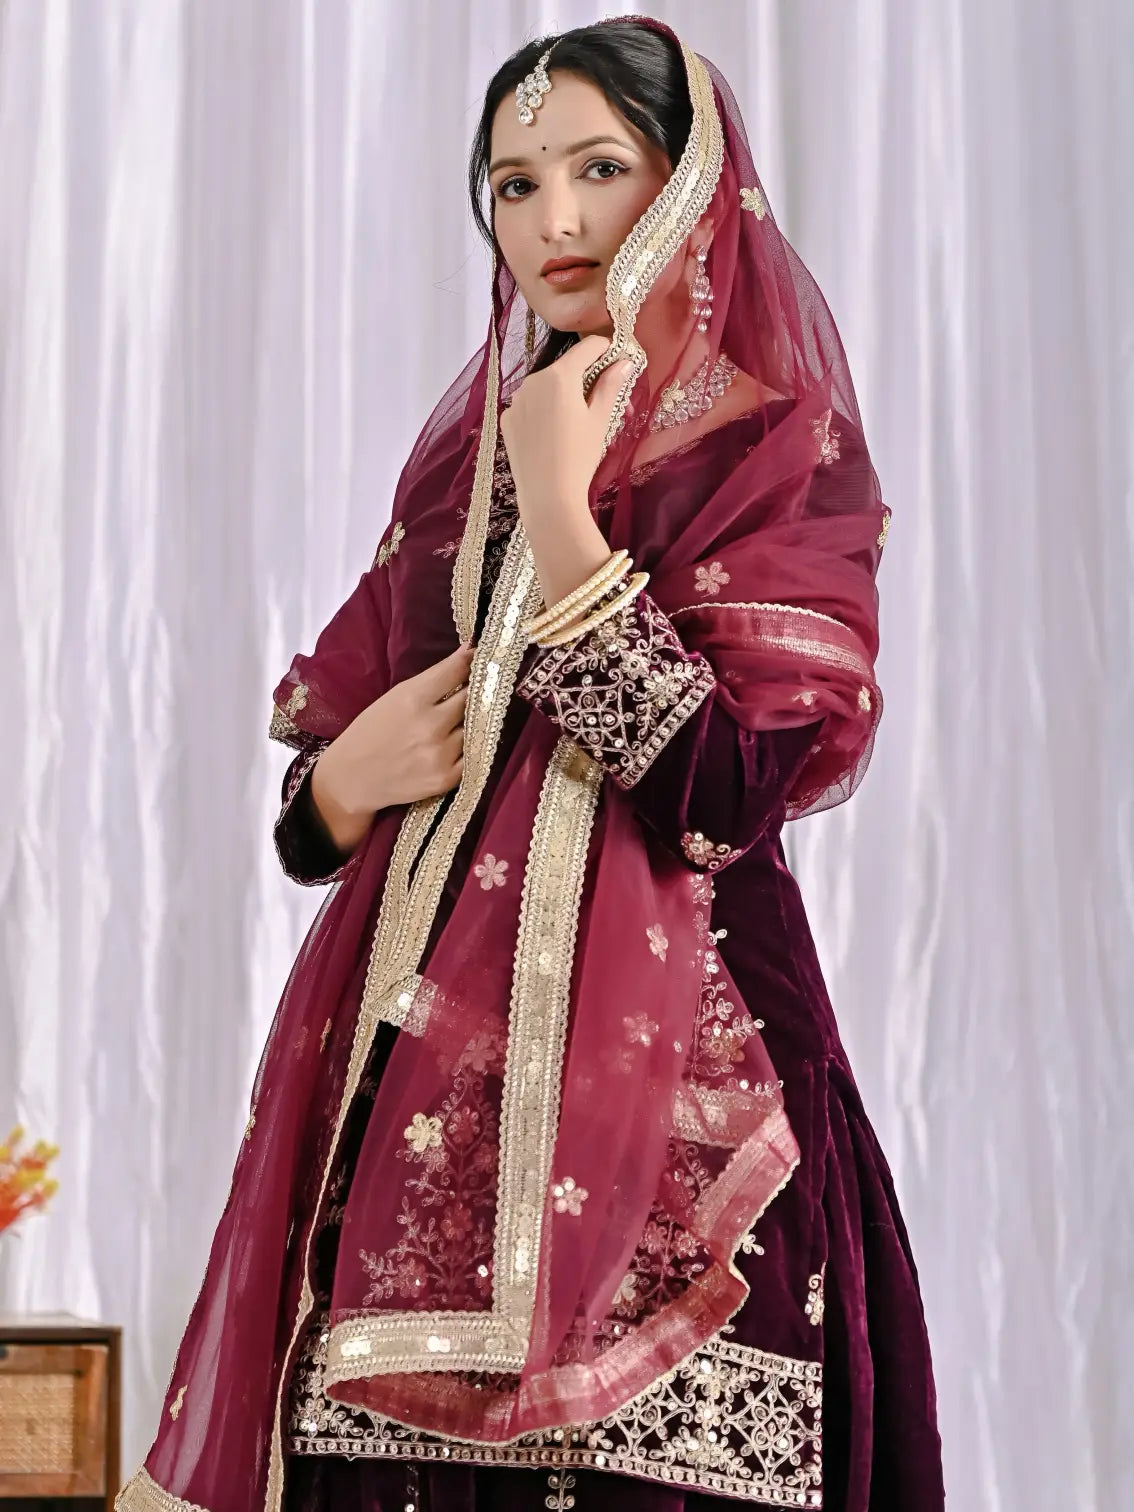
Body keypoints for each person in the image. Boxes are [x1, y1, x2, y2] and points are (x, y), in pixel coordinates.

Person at [117, 19, 944, 1512]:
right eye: (511, 182)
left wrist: (570, 530)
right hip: (418, 1119)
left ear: (688, 186)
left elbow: (726, 797)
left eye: (597, 169)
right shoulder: (468, 466)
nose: (550, 221)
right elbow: (332, 817)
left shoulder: (773, 454)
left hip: (682, 1099)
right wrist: (336, 789)